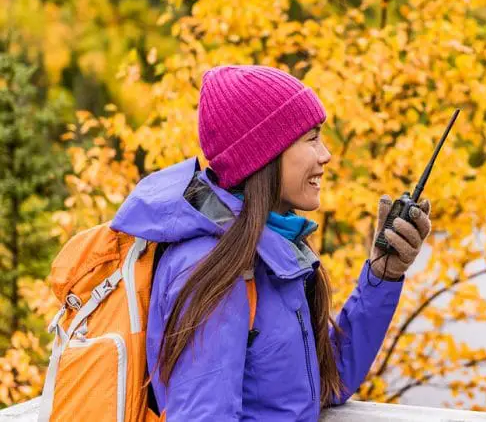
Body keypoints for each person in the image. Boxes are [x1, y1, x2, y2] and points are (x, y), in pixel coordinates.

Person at [110, 65, 432, 421]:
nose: (325, 155)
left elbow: (327, 381)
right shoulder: (214, 270)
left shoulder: (267, 254)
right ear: (264, 154)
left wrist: (382, 276)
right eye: (312, 138)